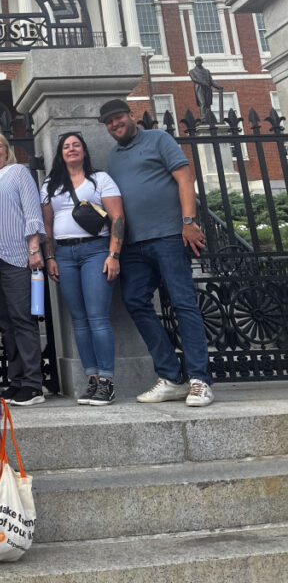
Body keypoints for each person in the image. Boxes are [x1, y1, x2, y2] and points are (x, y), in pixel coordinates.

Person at [99, 99, 214, 407]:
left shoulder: (159, 139)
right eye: (109, 121)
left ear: (131, 116)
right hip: (134, 245)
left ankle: (200, 379)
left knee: (183, 302)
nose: (114, 124)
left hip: (168, 236)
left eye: (118, 118)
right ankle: (172, 376)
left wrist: (188, 222)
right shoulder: (114, 156)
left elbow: (185, 178)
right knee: (135, 300)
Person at [40, 132, 125, 406]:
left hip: (96, 250)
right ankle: (91, 379)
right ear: (60, 153)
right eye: (66, 146)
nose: (71, 149)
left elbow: (117, 218)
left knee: (97, 317)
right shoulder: (50, 185)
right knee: (79, 320)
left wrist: (114, 254)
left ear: (84, 151)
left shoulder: (100, 179)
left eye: (76, 144)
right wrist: (50, 256)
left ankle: (107, 382)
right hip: (64, 254)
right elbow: (48, 226)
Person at [0, 131, 47, 406]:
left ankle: (33, 384)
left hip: (17, 255)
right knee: (4, 322)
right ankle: (16, 381)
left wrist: (34, 248)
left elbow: (32, 211)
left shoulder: (18, 173)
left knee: (22, 319)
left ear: (7, 150)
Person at [189, 56, 224, 122]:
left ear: (202, 61)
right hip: (199, 88)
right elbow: (194, 79)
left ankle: (209, 117)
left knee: (208, 104)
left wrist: (218, 87)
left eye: (199, 60)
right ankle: (203, 119)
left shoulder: (207, 71)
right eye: (197, 61)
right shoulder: (192, 71)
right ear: (195, 62)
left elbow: (211, 81)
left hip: (207, 88)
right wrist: (204, 83)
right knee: (202, 103)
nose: (198, 62)